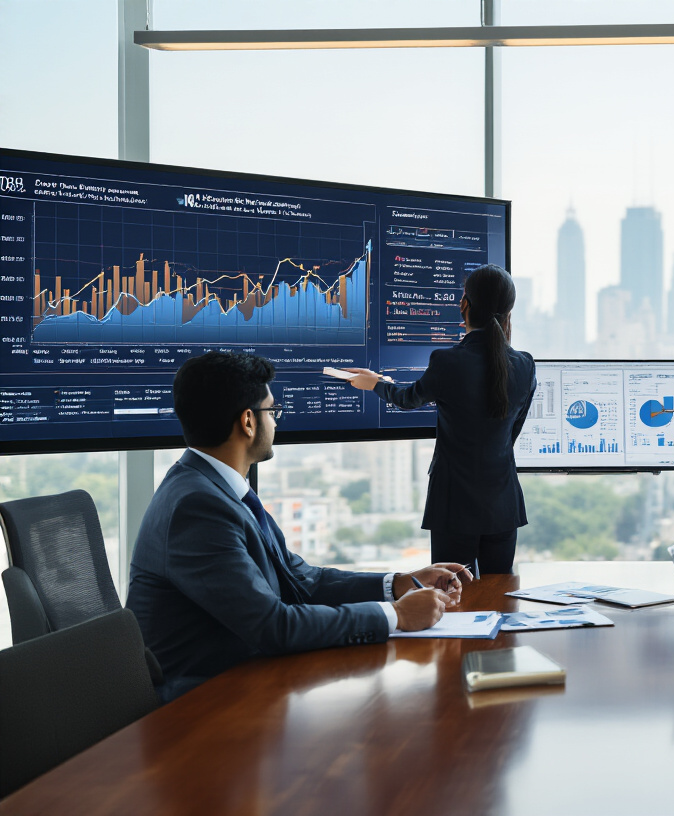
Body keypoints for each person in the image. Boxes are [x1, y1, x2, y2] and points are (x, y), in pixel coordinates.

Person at [127, 351, 468, 702]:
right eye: (272, 412)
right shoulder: (196, 507)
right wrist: (395, 616)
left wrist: (398, 584)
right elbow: (273, 626)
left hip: (247, 684)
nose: (276, 423)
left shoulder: (216, 490)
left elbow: (302, 580)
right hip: (200, 707)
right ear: (248, 421)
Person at [347, 264, 535, 575]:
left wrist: (374, 383)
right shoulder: (525, 365)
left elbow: (408, 398)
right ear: (507, 312)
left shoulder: (447, 362)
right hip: (503, 506)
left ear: (464, 305)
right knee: (500, 595)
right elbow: (513, 430)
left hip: (455, 506)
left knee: (452, 597)